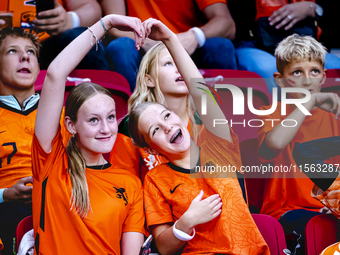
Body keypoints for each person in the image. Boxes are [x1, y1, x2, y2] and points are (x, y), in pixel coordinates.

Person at [128, 18, 269, 254]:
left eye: (180, 63)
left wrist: (171, 39)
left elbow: (199, 89)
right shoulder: (153, 172)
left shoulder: (215, 141)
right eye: (168, 64)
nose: (167, 127)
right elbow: (162, 243)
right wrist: (185, 222)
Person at [32, 14, 145, 254]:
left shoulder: (131, 184)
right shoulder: (50, 163)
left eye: (111, 117)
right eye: (93, 120)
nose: (106, 129)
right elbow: (55, 74)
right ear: (71, 126)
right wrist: (107, 23)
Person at [257, 34, 340, 253]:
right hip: (288, 210)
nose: (307, 80)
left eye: (314, 71)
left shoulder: (335, 116)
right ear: (280, 79)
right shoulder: (271, 112)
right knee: (318, 226)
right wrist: (309, 102)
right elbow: (274, 144)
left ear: (323, 77)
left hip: (333, 208)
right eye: (297, 72)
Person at [101, 0, 237, 91]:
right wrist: (146, 40)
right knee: (121, 48)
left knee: (221, 47)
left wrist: (194, 36)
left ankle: (223, 118)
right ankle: (132, 119)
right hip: (142, 44)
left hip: (187, 46)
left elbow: (227, 24)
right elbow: (113, 26)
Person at [0, 26, 44, 255]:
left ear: (38, 67)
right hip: (5, 211)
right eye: (12, 51)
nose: (25, 56)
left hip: (60, 205)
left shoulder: (65, 114)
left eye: (31, 52)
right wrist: (5, 194)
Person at [235, 0, 340, 93]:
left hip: (308, 44)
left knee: (334, 64)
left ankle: (320, 113)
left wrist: (311, 8)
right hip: (255, 45)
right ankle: (274, 114)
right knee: (268, 68)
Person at [0, 0, 110, 70]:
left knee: (81, 37)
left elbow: (91, 8)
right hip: (4, 49)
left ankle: (100, 101)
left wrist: (70, 20)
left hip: (50, 50)